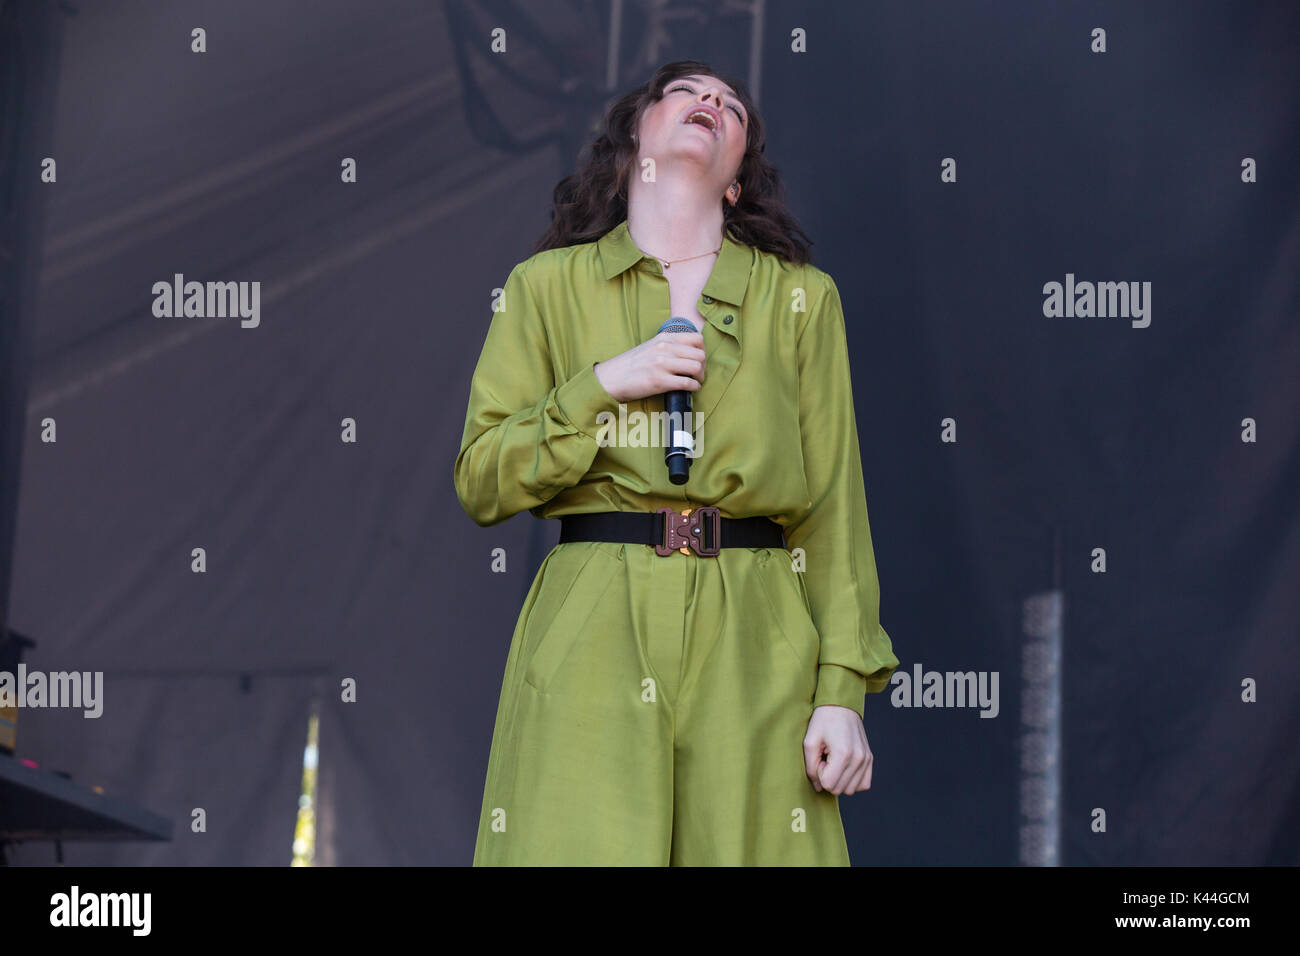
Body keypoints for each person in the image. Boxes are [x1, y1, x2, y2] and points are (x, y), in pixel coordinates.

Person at [454, 59, 899, 865]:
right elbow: (484, 478)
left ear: (737, 183)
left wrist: (842, 690)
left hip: (758, 618)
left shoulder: (801, 298)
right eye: (686, 92)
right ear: (634, 136)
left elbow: (833, 505)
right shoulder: (543, 287)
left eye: (732, 106)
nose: (712, 103)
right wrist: (601, 387)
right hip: (594, 605)